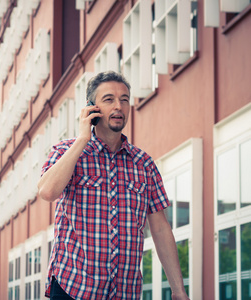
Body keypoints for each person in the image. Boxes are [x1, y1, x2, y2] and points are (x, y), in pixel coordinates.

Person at [37, 71, 190, 300]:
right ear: (91, 108)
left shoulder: (144, 164)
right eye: (109, 99)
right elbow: (47, 192)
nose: (118, 106)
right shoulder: (65, 152)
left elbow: (160, 229)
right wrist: (82, 140)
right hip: (74, 289)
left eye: (124, 99)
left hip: (124, 293)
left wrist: (178, 290)